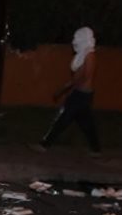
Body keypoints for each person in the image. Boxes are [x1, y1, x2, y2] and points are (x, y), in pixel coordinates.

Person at [35, 26, 102, 155]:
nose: (75, 41)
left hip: (81, 95)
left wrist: (66, 90)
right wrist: (66, 89)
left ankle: (44, 144)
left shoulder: (89, 55)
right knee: (86, 123)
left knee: (63, 118)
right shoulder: (85, 54)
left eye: (78, 37)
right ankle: (96, 150)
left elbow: (85, 76)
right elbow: (79, 77)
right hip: (82, 94)